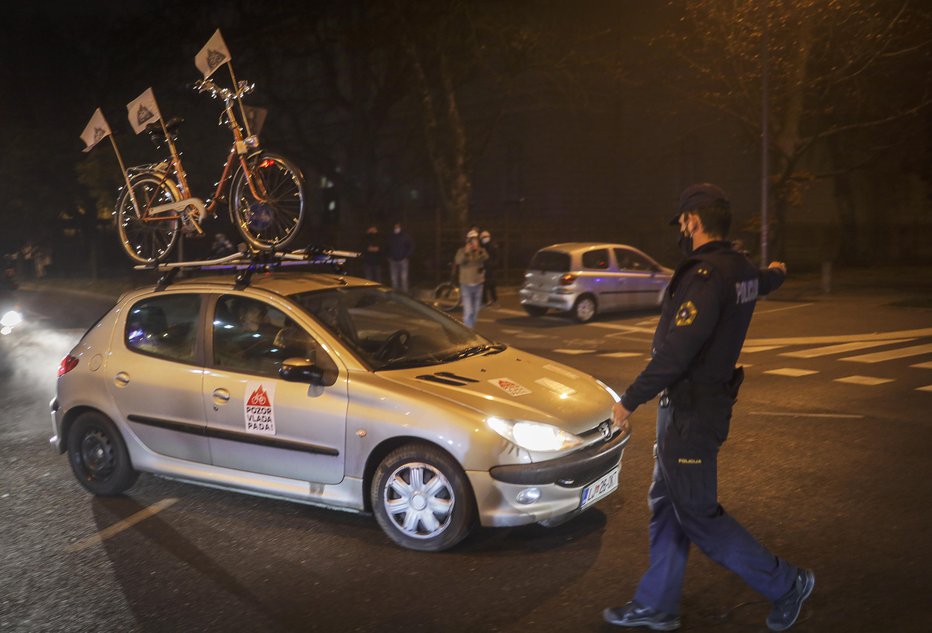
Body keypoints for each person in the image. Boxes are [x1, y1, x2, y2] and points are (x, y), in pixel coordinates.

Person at [603, 183, 812, 632]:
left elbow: (677, 353)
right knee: (667, 501)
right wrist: (777, 270)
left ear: (694, 220)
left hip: (691, 413)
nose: (681, 228)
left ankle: (786, 583)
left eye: (682, 221)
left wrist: (628, 400)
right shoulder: (742, 270)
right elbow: (766, 279)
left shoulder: (706, 276)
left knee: (696, 512)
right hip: (697, 407)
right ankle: (656, 604)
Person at [454, 229, 489, 328]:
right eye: (471, 240)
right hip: (466, 284)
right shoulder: (461, 251)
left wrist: (478, 250)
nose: (473, 242)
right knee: (468, 311)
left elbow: (485, 257)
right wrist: (467, 252)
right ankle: (468, 331)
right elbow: (458, 261)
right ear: (467, 241)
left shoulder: (481, 251)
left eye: (475, 240)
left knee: (475, 310)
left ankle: (471, 329)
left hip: (478, 284)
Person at [387, 222, 414, 293]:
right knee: (394, 278)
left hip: (403, 260)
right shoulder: (391, 236)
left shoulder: (406, 236)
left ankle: (405, 294)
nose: (396, 229)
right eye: (395, 227)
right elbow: (387, 247)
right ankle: (396, 295)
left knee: (404, 278)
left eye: (398, 227)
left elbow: (411, 247)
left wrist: (406, 256)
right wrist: (389, 256)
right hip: (393, 260)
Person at [480, 230, 499, 305]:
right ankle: (485, 301)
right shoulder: (482, 246)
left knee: (492, 285)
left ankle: (494, 300)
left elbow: (496, 257)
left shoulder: (493, 245)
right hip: (484, 268)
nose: (484, 239)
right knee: (484, 286)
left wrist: (493, 265)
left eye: (485, 237)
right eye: (483, 237)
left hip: (491, 269)